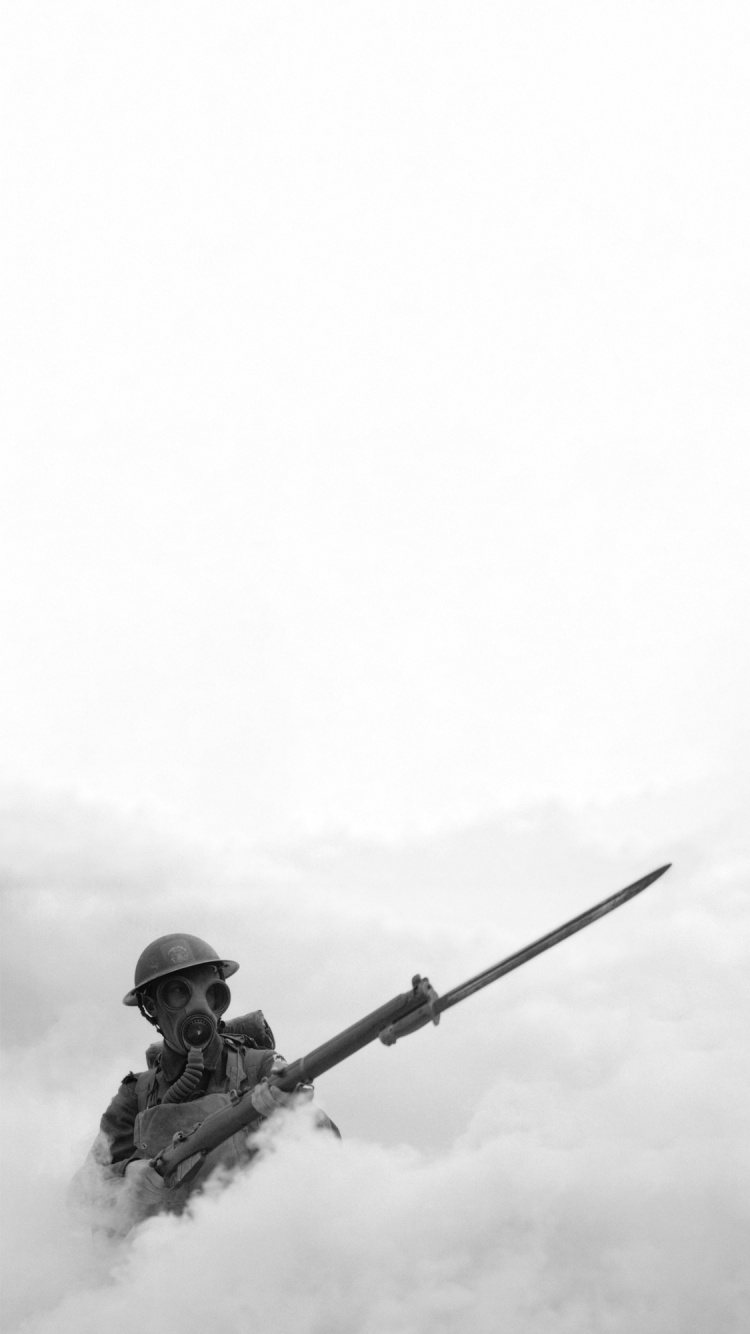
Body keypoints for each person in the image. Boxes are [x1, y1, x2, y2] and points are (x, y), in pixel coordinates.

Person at [72, 933, 336, 1235]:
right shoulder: (138, 1093)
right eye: (178, 993)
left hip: (249, 1251)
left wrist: (299, 1114)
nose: (199, 1007)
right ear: (150, 1006)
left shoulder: (259, 1068)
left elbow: (327, 1150)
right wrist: (129, 1174)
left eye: (212, 994)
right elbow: (82, 1194)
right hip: (160, 1264)